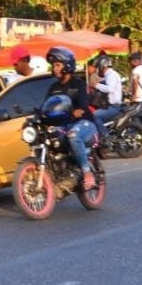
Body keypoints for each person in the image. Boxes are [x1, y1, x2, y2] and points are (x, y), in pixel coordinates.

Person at [44, 47, 99, 190]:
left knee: (73, 135)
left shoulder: (78, 83)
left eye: (57, 65)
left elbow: (83, 104)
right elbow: (46, 106)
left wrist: (78, 110)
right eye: (53, 65)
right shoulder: (53, 88)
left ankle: (87, 173)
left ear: (67, 65)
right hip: (64, 125)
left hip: (84, 123)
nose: (54, 68)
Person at [89, 55, 122, 142]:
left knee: (95, 115)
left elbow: (109, 89)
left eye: (98, 67)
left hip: (113, 107)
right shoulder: (108, 76)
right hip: (108, 106)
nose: (97, 70)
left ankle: (106, 137)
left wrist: (96, 85)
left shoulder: (111, 75)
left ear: (102, 66)